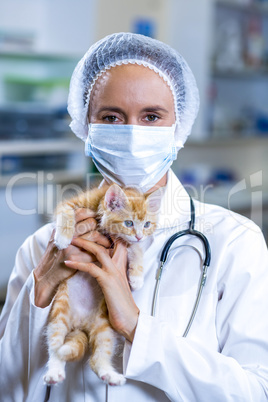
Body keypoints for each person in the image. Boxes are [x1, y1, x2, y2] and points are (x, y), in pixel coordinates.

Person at [1, 32, 268, 402]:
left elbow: (255, 392)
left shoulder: (234, 241)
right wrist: (40, 290)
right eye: (111, 116)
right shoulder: (45, 246)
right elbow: (7, 388)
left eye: (152, 116)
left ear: (179, 126)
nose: (131, 133)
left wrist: (137, 328)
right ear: (85, 126)